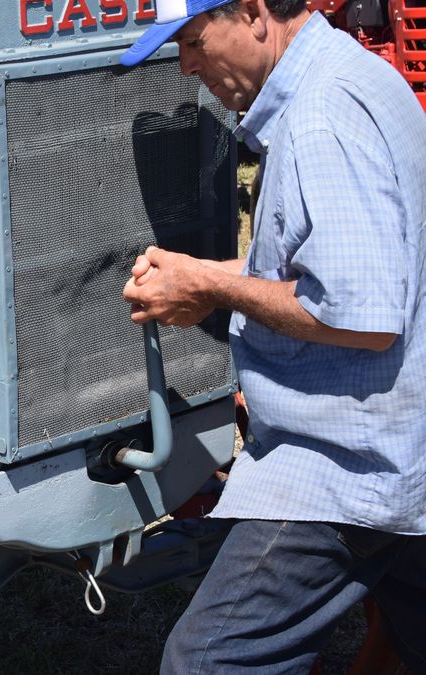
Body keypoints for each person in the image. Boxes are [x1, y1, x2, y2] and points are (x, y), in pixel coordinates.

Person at [118, 0, 426, 671]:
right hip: (407, 441)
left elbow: (363, 317)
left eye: (196, 41)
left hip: (350, 462)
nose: (187, 66)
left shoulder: (320, 118)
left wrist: (212, 289)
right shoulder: (358, 75)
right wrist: (206, 273)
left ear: (256, 13)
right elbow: (343, 265)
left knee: (210, 660)